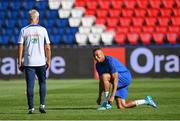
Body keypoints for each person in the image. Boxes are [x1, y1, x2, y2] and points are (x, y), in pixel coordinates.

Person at [93, 48, 158, 110]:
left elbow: (116, 78)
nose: (96, 57)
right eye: (94, 56)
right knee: (122, 106)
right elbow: (101, 82)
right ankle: (146, 101)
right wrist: (99, 96)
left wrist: (112, 96)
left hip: (124, 77)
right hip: (118, 81)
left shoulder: (110, 61)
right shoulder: (97, 65)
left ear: (102, 54)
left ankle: (106, 103)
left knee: (105, 76)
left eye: (97, 55)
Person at [18, 9, 51, 114]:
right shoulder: (43, 30)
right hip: (41, 61)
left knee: (30, 85)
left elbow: (20, 46)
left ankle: (31, 108)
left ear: (29, 18)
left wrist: (19, 61)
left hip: (29, 62)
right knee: (42, 83)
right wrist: (49, 60)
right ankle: (42, 105)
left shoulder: (24, 30)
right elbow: (48, 47)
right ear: (37, 18)